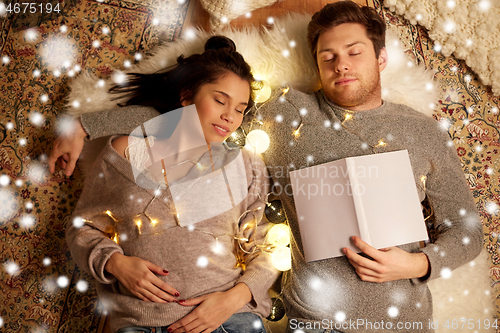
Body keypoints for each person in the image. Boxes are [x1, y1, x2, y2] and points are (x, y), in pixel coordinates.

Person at [52, 2, 483, 333]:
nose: (341, 65)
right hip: (313, 317)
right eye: (328, 56)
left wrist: (416, 265)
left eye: (354, 52)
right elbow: (196, 117)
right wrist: (87, 125)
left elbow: (467, 232)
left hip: (400, 319)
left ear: (381, 58)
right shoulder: (285, 114)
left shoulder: (423, 132)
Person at [65, 36, 279, 333]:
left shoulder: (247, 165)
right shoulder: (126, 152)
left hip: (229, 321)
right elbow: (82, 226)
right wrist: (115, 263)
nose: (230, 117)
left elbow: (269, 247)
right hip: (142, 322)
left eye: (240, 109)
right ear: (187, 96)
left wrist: (233, 299)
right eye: (220, 100)